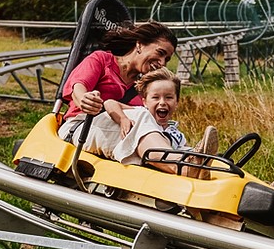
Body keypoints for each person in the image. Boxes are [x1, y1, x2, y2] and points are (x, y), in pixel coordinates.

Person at [57, 21, 208, 178]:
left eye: (167, 59)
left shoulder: (143, 87)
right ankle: (182, 166)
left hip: (120, 134)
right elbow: (78, 87)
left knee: (147, 118)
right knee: (141, 115)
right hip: (82, 125)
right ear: (140, 45)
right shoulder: (102, 60)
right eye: (160, 53)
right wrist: (85, 99)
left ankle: (186, 156)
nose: (162, 63)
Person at [135, 66, 274, 196]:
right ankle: (196, 162)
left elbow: (181, 146)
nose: (163, 102)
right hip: (175, 176)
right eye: (155, 98)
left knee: (226, 169)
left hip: (189, 169)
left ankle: (267, 191)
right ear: (144, 102)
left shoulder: (176, 133)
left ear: (177, 102)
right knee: (218, 176)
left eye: (169, 97)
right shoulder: (145, 124)